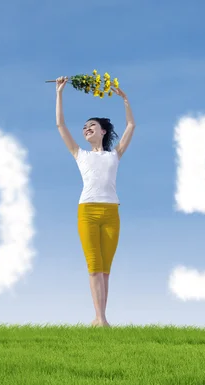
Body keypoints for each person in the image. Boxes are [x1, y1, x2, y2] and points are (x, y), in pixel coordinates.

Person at [55, 75, 136, 327]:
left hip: (111, 212)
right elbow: (61, 126)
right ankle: (99, 318)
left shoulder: (115, 154)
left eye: (91, 125)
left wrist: (125, 100)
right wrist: (59, 93)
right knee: (93, 265)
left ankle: (102, 317)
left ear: (102, 131)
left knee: (105, 269)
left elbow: (131, 126)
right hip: (87, 211)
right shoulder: (79, 154)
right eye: (84, 127)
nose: (86, 129)